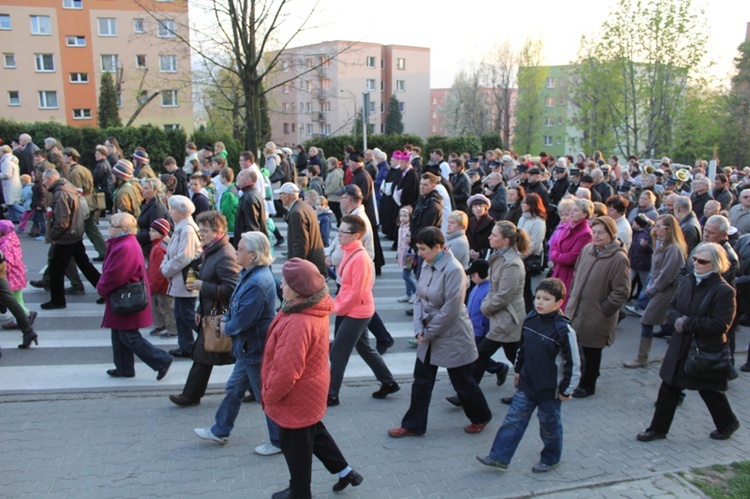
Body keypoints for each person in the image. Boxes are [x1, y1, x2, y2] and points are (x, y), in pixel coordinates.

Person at [262, 258, 364, 498]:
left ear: (298, 290)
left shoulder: (299, 320)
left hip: (296, 395)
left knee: (296, 446)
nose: (281, 287)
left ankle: (300, 492)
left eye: (285, 283)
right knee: (314, 433)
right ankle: (346, 472)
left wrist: (269, 396)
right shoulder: (309, 307)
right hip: (310, 390)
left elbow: (287, 371)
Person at [388, 227, 492, 437]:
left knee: (463, 382)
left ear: (438, 247)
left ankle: (481, 416)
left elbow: (451, 309)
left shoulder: (453, 269)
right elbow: (419, 297)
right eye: (418, 248)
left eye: (423, 249)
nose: (419, 253)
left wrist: (427, 333)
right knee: (421, 382)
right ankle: (413, 425)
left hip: (452, 334)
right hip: (429, 332)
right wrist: (419, 328)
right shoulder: (428, 263)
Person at [637, 242, 740, 442]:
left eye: (702, 261)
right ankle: (657, 429)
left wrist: (687, 323)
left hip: (703, 350)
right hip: (680, 346)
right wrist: (676, 320)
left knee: (710, 391)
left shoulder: (723, 291)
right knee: (669, 386)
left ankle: (728, 423)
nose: (697, 263)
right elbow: (672, 306)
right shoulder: (687, 280)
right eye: (694, 259)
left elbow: (721, 324)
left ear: (715, 264)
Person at [477, 278, 581, 473]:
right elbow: (522, 348)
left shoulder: (563, 330)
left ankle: (551, 458)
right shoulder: (531, 319)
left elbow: (574, 363)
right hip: (527, 384)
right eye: (538, 298)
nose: (540, 302)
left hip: (549, 391)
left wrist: (567, 390)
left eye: (546, 299)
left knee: (549, 426)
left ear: (559, 303)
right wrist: (518, 370)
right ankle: (499, 457)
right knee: (513, 421)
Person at [193, 232, 281, 455]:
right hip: (247, 348)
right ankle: (220, 430)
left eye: (240, 249)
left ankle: (279, 440)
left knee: (265, 397)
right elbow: (235, 305)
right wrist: (225, 318)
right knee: (234, 389)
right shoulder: (249, 273)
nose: (235, 252)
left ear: (253, 254)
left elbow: (244, 319)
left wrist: (226, 327)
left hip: (254, 348)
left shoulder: (258, 281)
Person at [327, 215, 398, 407]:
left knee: (338, 352)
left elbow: (355, 291)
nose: (339, 235)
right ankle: (388, 382)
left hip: (357, 311)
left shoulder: (360, 257)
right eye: (338, 230)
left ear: (356, 235)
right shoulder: (350, 251)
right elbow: (346, 286)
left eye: (343, 232)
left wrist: (336, 308)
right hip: (356, 309)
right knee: (365, 349)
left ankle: (332, 394)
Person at [170, 211, 240, 406]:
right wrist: (201, 309)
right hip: (212, 312)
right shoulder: (212, 250)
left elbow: (233, 288)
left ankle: (191, 395)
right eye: (200, 229)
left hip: (221, 314)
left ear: (219, 232)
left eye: (206, 230)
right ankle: (191, 394)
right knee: (211, 355)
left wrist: (202, 286)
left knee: (215, 355)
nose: (201, 234)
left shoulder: (225, 254)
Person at [97, 213, 173, 380]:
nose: (109, 228)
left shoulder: (125, 246)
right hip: (123, 296)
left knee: (129, 336)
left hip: (127, 297)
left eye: (112, 226)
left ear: (123, 229)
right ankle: (124, 368)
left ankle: (161, 360)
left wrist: (101, 288)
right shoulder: (124, 243)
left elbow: (116, 274)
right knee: (119, 334)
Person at [566, 216, 631, 398]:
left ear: (611, 234)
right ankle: (580, 378)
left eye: (601, 232)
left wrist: (604, 310)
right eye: (594, 232)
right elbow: (577, 274)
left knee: (592, 351)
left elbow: (621, 291)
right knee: (577, 348)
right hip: (577, 309)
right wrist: (573, 294)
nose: (596, 236)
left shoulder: (618, 258)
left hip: (597, 314)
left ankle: (588, 385)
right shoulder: (587, 249)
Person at [624, 215, 687, 367]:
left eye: (660, 227)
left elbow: (668, 273)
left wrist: (653, 288)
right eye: (656, 226)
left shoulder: (673, 248)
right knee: (663, 322)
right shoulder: (661, 244)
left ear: (669, 229)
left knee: (647, 320)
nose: (656, 229)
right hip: (659, 289)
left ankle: (642, 357)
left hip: (666, 291)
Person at [40, 169, 101, 310]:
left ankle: (58, 301)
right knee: (84, 263)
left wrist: (53, 235)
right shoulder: (68, 188)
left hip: (67, 236)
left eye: (44, 179)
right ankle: (104, 290)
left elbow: (62, 221)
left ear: (50, 179)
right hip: (75, 232)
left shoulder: (61, 194)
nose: (43, 183)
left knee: (56, 268)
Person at [159, 195, 201, 357]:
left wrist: (165, 269)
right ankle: (186, 347)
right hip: (180, 278)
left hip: (185, 278)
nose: (170, 212)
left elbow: (184, 256)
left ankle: (210, 338)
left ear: (182, 212)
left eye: (173, 209)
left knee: (187, 314)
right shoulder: (181, 226)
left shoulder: (187, 229)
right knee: (180, 314)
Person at [549, 198, 593, 310]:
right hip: (559, 270)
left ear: (585, 214)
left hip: (569, 275)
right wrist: (556, 255)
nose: (571, 213)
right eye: (572, 210)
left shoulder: (585, 233)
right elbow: (555, 244)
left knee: (562, 306)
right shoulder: (569, 226)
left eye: (576, 210)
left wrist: (555, 256)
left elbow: (572, 258)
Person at [276, 182, 327, 275]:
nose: (280, 198)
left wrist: (295, 267)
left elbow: (300, 244)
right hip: (314, 262)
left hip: (307, 267)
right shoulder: (304, 206)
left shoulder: (296, 212)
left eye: (281, 194)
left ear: (287, 195)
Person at [146, 219, 175, 338]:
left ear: (162, 233)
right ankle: (161, 324)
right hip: (158, 283)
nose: (150, 233)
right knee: (156, 304)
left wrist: (152, 286)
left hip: (163, 285)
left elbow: (158, 273)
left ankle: (173, 329)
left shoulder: (160, 249)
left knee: (167, 307)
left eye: (153, 231)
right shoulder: (158, 245)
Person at [518, 193, 547, 312]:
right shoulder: (522, 218)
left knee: (526, 288)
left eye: (526, 203)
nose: (523, 205)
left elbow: (534, 244)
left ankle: (529, 311)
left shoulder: (538, 222)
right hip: (519, 253)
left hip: (528, 258)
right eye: (523, 202)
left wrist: (520, 256)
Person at [136, 178, 168, 258]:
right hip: (146, 243)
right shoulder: (148, 204)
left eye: (146, 188)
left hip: (151, 247)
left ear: (155, 191)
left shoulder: (157, 207)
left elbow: (156, 231)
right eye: (143, 187)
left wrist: (135, 237)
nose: (142, 190)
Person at [396, 206, 417, 303]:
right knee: (406, 274)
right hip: (402, 254)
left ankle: (415, 292)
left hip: (409, 255)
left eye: (405, 216)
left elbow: (410, 241)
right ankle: (408, 293)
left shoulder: (410, 229)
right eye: (401, 216)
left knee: (405, 275)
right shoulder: (401, 227)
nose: (402, 218)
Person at [467, 194, 495, 261]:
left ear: (485, 208)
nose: (478, 208)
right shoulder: (470, 221)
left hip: (485, 258)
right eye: (475, 206)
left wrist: (481, 253)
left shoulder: (492, 223)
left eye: (481, 206)